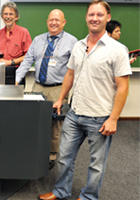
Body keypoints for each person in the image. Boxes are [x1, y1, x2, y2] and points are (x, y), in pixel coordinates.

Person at [39, 1, 132, 200]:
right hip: (74, 113)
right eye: (91, 14)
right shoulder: (79, 46)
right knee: (64, 158)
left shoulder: (117, 50)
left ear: (107, 17)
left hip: (100, 117)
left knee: (96, 164)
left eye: (99, 15)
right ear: (86, 17)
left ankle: (89, 197)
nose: (94, 18)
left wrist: (114, 119)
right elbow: (70, 75)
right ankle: (61, 191)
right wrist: (61, 99)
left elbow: (123, 87)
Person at [16, 9, 77, 169]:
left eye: (57, 20)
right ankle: (33, 150)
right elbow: (27, 61)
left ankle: (50, 156)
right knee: (32, 120)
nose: (54, 22)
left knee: (54, 125)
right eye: (51, 20)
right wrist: (16, 80)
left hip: (58, 89)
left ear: (63, 22)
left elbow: (75, 70)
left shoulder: (72, 41)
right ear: (47, 21)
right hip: (37, 87)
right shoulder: (38, 40)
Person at [0, 1, 32, 85]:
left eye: (11, 14)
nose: (8, 17)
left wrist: (10, 62)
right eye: (5, 14)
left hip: (16, 73)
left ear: (16, 17)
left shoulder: (24, 32)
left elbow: (28, 56)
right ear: (2, 17)